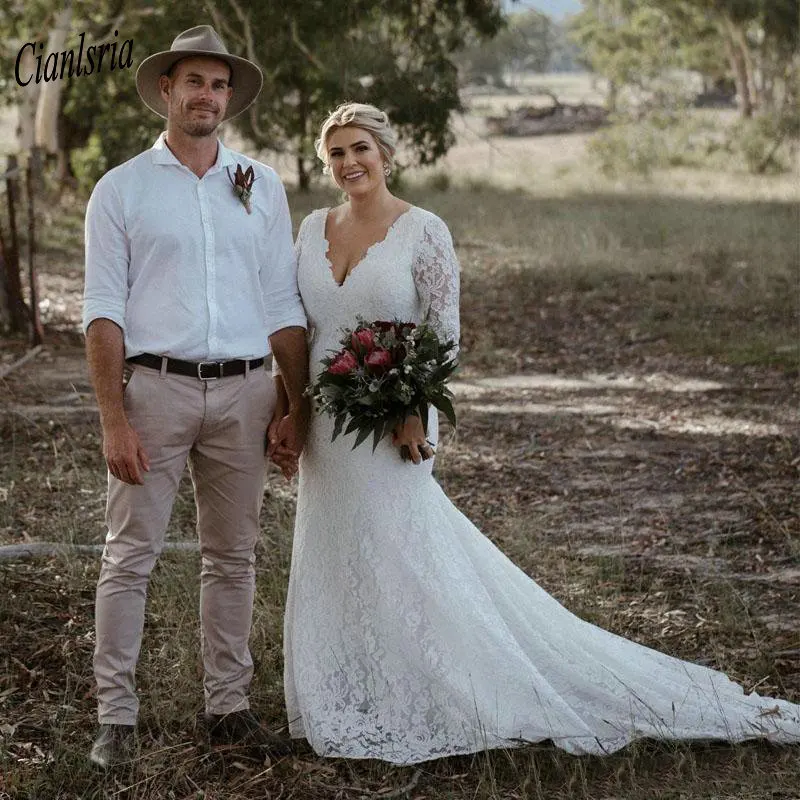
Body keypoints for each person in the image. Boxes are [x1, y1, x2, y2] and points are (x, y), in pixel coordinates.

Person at [272, 102, 800, 765]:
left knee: (399, 543)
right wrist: (290, 408)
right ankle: (354, 683)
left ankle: (439, 680)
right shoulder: (311, 227)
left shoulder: (423, 229)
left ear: (386, 153)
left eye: (360, 149)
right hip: (326, 416)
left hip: (391, 413)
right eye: (336, 154)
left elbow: (442, 331)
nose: (349, 163)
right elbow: (300, 328)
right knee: (336, 543)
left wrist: (411, 407)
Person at [82, 25, 309, 769]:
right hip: (154, 391)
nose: (207, 95)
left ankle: (229, 705)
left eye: (219, 84)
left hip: (247, 393)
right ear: (166, 91)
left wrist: (296, 402)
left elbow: (281, 300)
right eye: (194, 82)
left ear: (229, 98)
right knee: (130, 556)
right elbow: (102, 311)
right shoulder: (121, 188)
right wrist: (114, 419)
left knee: (234, 556)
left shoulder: (261, 184)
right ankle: (115, 715)